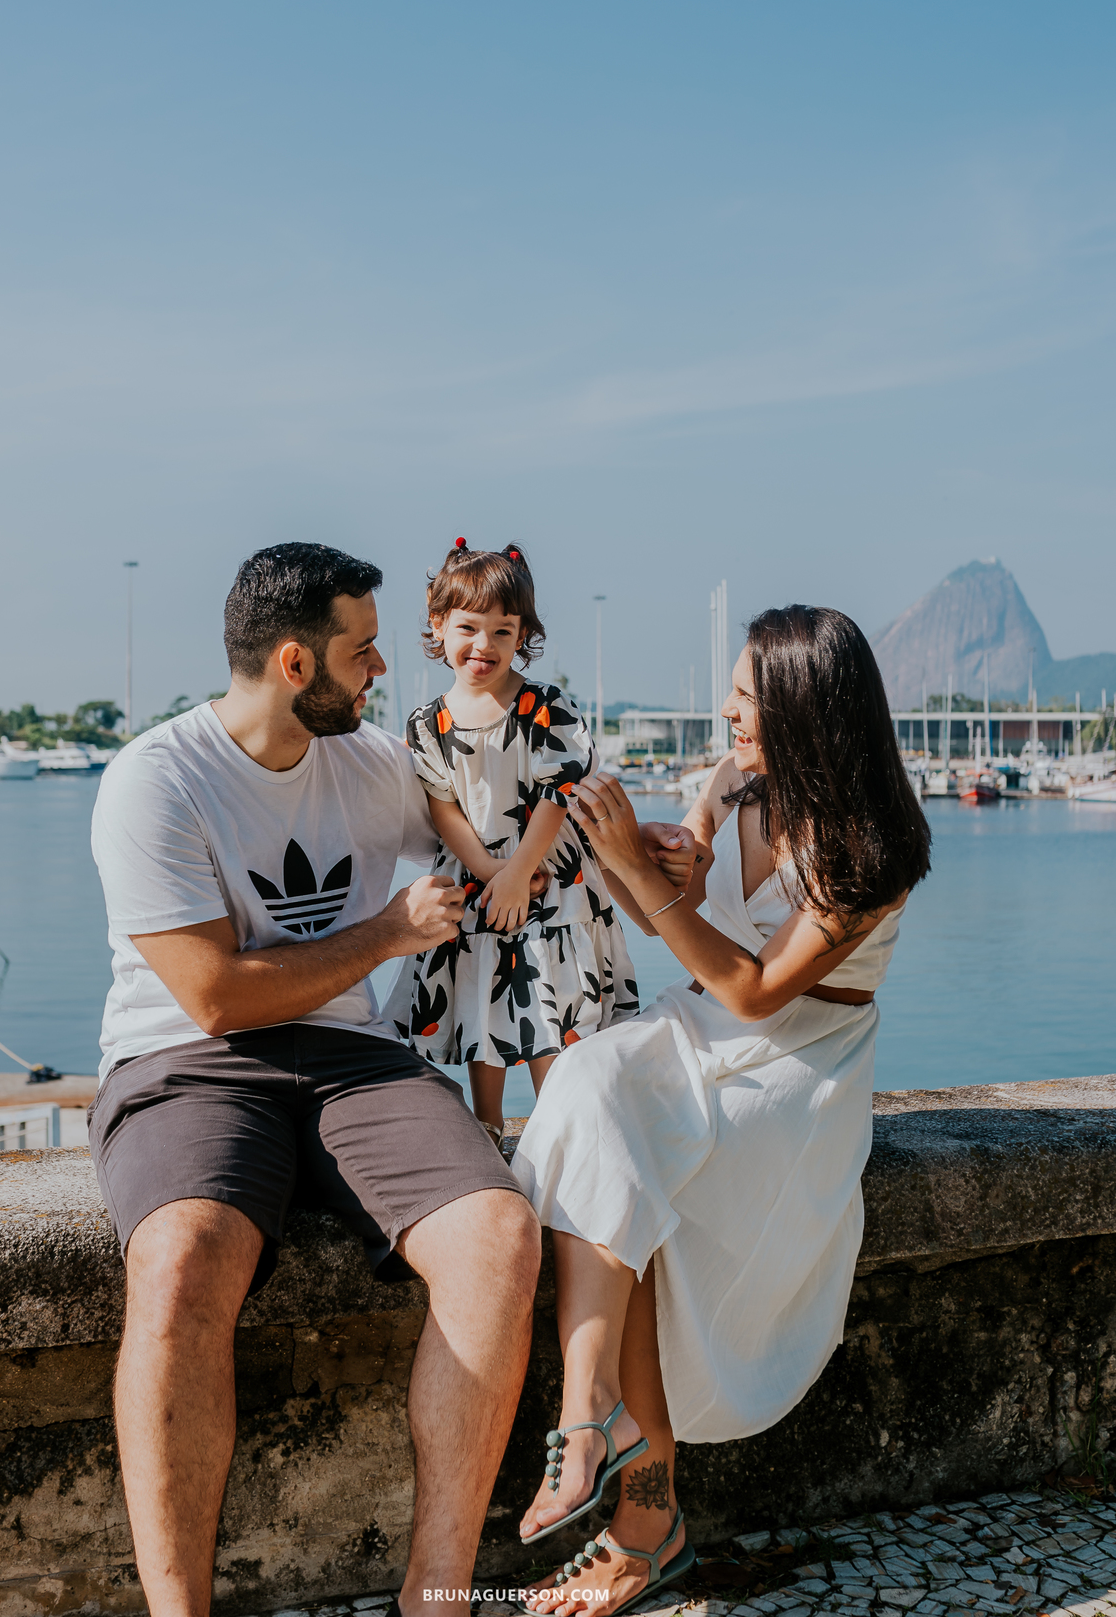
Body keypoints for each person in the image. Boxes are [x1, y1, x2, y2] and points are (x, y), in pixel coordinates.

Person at [87, 542, 542, 1617]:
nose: (388, 667)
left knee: (500, 1242)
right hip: (188, 1061)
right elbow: (213, 996)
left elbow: (501, 839)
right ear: (297, 664)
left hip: (353, 1060)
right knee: (180, 1259)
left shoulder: (377, 763)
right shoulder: (156, 782)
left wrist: (656, 850)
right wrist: (386, 932)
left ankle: (436, 1594)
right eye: (366, 650)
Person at [511, 605, 932, 1617]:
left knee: (624, 1151)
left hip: (797, 1067)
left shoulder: (870, 849)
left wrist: (644, 883)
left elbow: (755, 990)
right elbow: (688, 876)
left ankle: (642, 1517)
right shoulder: (737, 777)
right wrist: (658, 854)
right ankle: (590, 1419)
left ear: (804, 708)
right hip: (697, 1027)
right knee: (582, 1085)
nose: (730, 714)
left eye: (748, 699)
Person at [383, 539, 639, 1144]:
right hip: (476, 872)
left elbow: (558, 794)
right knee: (483, 996)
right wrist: (487, 869)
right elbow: (442, 804)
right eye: (468, 628)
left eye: (504, 631)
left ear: (523, 633)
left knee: (549, 997)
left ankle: (562, 1129)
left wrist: (518, 872)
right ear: (438, 625)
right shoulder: (428, 722)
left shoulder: (545, 707)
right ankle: (487, 1123)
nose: (484, 646)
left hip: (548, 871)